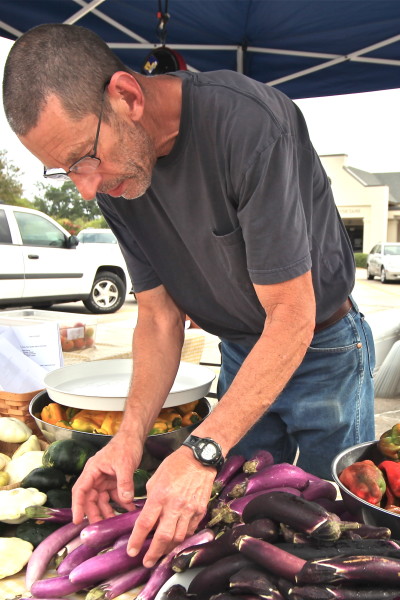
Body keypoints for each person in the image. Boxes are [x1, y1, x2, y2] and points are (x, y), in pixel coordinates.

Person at [3, 23, 376, 568]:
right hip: (240, 352)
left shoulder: (247, 123)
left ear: (126, 96)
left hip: (324, 350)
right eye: (64, 171)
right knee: (244, 529)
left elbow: (292, 314)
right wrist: (127, 440)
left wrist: (203, 449)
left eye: (84, 158)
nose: (85, 187)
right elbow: (156, 316)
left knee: (331, 538)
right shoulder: (115, 177)